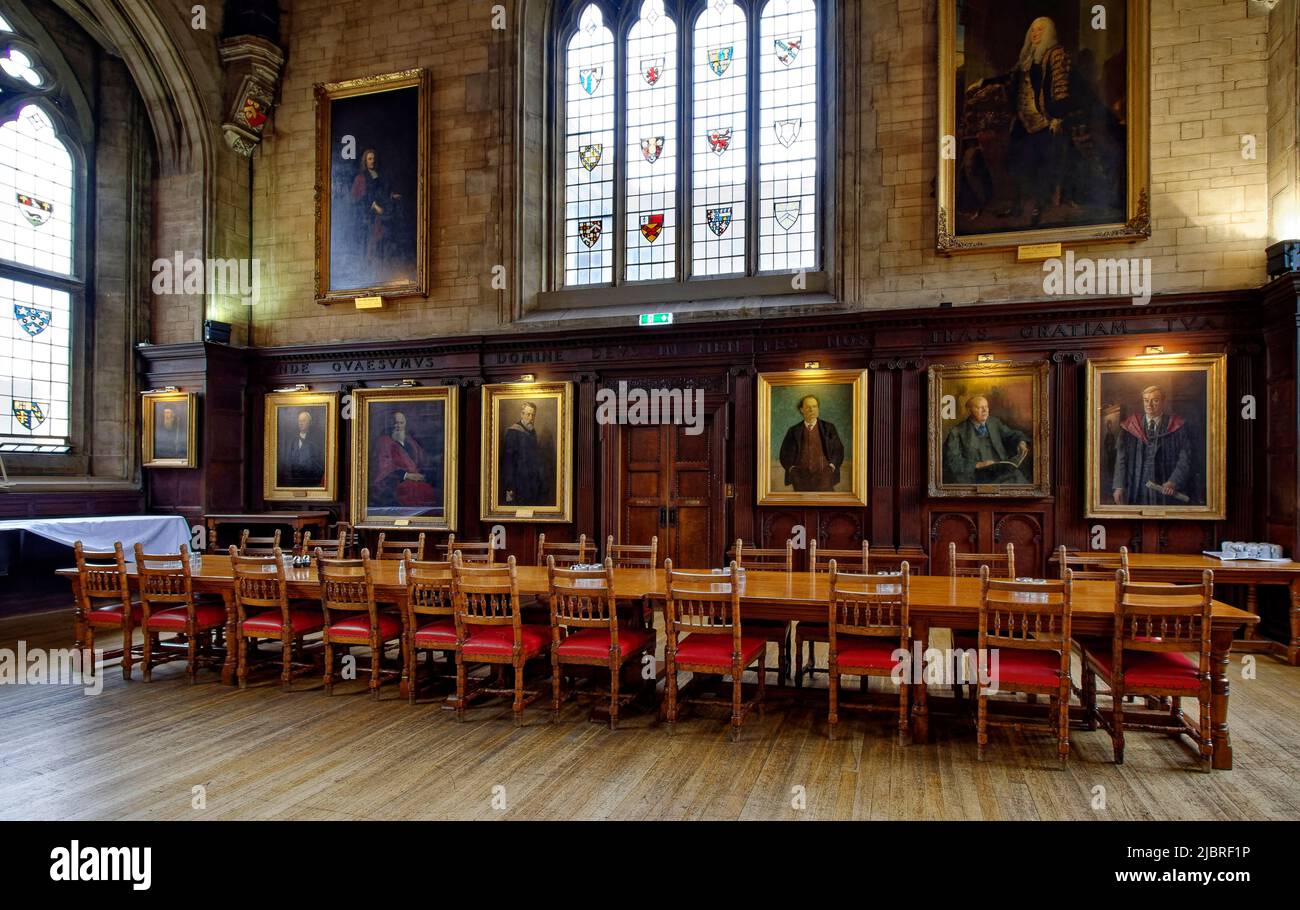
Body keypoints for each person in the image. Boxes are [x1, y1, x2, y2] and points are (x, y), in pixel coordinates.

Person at [1111, 385, 1195, 506]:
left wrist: (1173, 481)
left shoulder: (1177, 427)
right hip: (1136, 485)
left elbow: (1185, 459)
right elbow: (1121, 459)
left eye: (1155, 400)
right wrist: (1119, 486)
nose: (1149, 405)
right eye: (1146, 400)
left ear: (1163, 402)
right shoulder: (1130, 426)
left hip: (1164, 485)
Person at [943, 395, 1031, 485]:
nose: (985, 410)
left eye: (986, 406)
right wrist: (978, 465)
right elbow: (952, 461)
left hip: (1004, 473)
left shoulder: (993, 422)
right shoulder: (957, 431)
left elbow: (1011, 434)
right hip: (978, 478)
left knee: (1021, 484)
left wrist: (1021, 442)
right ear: (970, 411)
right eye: (979, 407)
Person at [350, 148, 403, 280]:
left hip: (381, 213)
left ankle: (381, 270)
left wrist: (391, 196)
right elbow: (360, 197)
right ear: (365, 161)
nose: (372, 161)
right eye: (369, 159)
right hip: (367, 215)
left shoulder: (378, 175)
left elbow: (381, 193)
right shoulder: (361, 178)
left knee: (382, 240)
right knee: (370, 241)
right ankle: (367, 269)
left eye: (373, 158)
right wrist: (374, 206)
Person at [369, 410, 438, 509]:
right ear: (391, 424)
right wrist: (407, 475)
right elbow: (383, 469)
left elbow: (423, 460)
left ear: (405, 424)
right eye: (396, 423)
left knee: (431, 491)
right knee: (415, 491)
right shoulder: (383, 441)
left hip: (415, 481)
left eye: (401, 423)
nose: (398, 426)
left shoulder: (409, 441)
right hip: (393, 484)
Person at [778, 395, 845, 492]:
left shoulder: (828, 428)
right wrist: (792, 470)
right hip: (800, 478)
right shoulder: (793, 431)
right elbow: (784, 454)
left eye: (814, 406)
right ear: (801, 409)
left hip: (825, 477)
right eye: (808, 407)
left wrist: (831, 467)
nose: (812, 410)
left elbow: (838, 450)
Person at [502, 401, 551, 506]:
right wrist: (510, 486)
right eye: (528, 414)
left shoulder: (532, 431)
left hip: (532, 482)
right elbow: (509, 461)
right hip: (519, 483)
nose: (531, 418)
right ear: (522, 414)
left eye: (533, 415)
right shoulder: (513, 432)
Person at [280, 409, 325, 487]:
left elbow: (319, 465)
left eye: (303, 421)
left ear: (309, 423)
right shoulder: (292, 441)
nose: (301, 423)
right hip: (293, 482)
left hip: (309, 482)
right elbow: (288, 462)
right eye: (299, 421)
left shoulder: (316, 441)